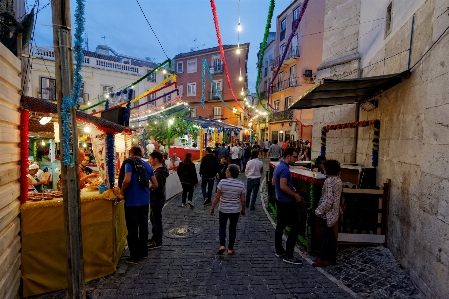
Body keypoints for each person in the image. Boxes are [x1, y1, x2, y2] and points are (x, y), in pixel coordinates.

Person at [119, 146, 158, 264]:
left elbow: (127, 179)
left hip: (132, 202)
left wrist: (121, 192)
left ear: (131, 153)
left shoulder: (129, 163)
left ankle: (135, 257)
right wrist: (146, 190)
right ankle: (144, 252)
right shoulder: (147, 165)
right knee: (143, 227)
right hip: (144, 202)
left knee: (132, 229)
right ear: (140, 153)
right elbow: (155, 184)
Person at [273, 147, 303, 265]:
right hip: (286, 202)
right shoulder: (285, 169)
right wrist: (295, 194)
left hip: (280, 200)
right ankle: (289, 255)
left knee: (280, 226)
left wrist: (291, 187)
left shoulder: (279, 167)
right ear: (288, 156)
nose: (296, 159)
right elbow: (282, 186)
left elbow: (274, 182)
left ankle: (279, 250)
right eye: (294, 157)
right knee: (295, 227)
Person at [210, 164, 245, 255]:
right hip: (235, 210)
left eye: (226, 170)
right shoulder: (241, 184)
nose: (225, 172)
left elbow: (217, 197)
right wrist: (243, 209)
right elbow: (242, 200)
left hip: (223, 209)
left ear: (230, 172)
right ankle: (230, 249)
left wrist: (212, 207)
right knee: (232, 228)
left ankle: (222, 245)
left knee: (222, 226)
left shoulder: (222, 182)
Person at [313, 159, 342, 267]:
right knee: (330, 236)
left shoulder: (329, 181)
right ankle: (331, 258)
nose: (323, 169)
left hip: (327, 214)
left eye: (324, 168)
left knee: (326, 237)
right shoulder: (338, 180)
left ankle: (324, 258)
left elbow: (328, 199)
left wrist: (318, 211)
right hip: (333, 213)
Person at [148, 151, 169, 250]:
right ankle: (154, 238)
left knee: (156, 220)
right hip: (159, 198)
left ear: (156, 159)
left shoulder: (159, 172)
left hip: (157, 198)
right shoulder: (161, 170)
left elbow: (157, 187)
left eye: (151, 159)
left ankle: (158, 241)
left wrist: (149, 187)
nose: (150, 161)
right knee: (153, 218)